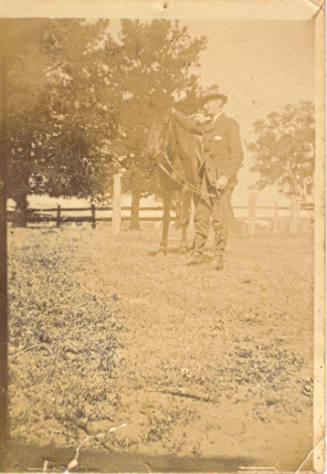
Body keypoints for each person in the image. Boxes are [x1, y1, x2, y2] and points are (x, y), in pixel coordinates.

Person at [170, 92, 243, 269]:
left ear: (219, 102)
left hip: (221, 180)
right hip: (205, 180)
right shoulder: (208, 125)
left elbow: (238, 155)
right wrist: (173, 112)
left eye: (209, 102)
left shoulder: (229, 124)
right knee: (201, 215)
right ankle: (198, 252)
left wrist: (226, 176)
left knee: (219, 218)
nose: (206, 106)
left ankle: (218, 256)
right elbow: (190, 125)